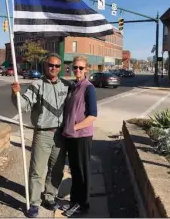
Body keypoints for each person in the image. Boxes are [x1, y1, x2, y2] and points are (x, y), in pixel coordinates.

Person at [11, 53, 71, 218]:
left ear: (60, 68)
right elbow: (24, 105)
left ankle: (49, 196)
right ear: (45, 66)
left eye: (57, 66)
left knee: (57, 169)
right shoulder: (36, 85)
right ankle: (34, 202)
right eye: (51, 65)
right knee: (37, 170)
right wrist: (15, 94)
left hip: (60, 135)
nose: (54, 68)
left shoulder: (65, 85)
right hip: (43, 134)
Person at [61, 56, 98, 217]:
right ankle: (74, 202)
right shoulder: (73, 86)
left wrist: (74, 127)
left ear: (86, 70)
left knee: (82, 171)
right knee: (74, 170)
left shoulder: (89, 88)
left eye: (80, 68)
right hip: (71, 136)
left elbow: (93, 115)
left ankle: (83, 204)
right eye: (75, 67)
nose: (77, 70)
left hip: (82, 136)